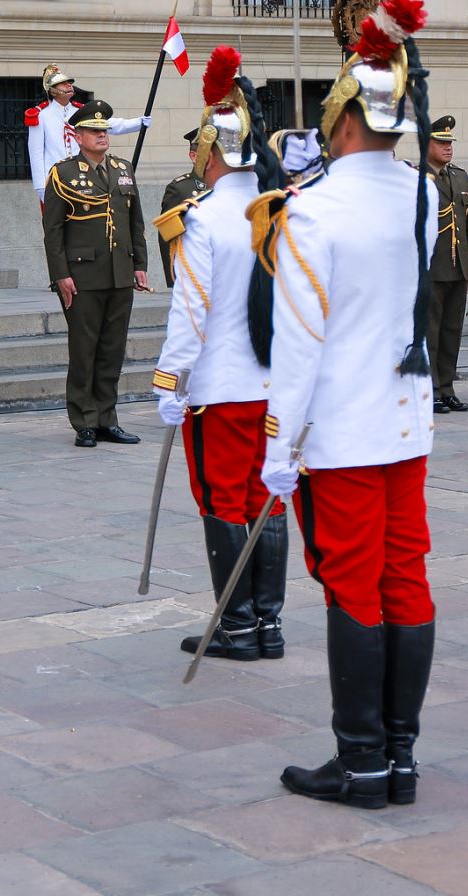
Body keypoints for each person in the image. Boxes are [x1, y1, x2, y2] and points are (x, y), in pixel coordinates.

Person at [259, 0, 438, 809]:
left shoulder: (310, 210)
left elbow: (298, 347)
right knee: (406, 581)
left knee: (354, 587)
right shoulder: (423, 195)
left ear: (339, 121)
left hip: (341, 431)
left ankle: (360, 761)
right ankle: (398, 758)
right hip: (406, 424)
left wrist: (276, 450)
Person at [151, 46, 288, 662]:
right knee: (266, 498)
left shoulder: (203, 220)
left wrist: (168, 378)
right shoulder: (282, 211)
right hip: (274, 383)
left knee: (223, 499)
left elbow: (191, 309)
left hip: (221, 387)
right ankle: (268, 623)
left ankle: (235, 625)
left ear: (210, 155)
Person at [41, 99, 149, 448]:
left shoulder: (122, 168)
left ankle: (107, 418)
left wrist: (140, 265)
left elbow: (135, 222)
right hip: (82, 276)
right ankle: (84, 421)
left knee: (112, 350)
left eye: (104, 130)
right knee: (85, 349)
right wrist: (61, 274)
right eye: (93, 131)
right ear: (77, 134)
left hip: (119, 273)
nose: (101, 136)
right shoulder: (63, 172)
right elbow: (53, 230)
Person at [26, 64, 146, 204]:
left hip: (83, 173)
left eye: (69, 83)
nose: (69, 85)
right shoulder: (41, 115)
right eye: (62, 84)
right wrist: (41, 186)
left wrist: (139, 123)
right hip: (56, 177)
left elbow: (109, 124)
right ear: (52, 91)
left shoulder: (80, 111)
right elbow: (36, 153)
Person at [424, 116, 468, 413]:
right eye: (441, 143)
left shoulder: (458, 177)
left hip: (457, 267)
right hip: (431, 266)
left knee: (452, 330)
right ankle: (430, 388)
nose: (448, 148)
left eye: (449, 143)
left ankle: (447, 387)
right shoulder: (418, 177)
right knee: (430, 331)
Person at [157, 129, 209, 288]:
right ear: (193, 156)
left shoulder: (225, 185)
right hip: (193, 273)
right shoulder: (180, 188)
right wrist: (174, 277)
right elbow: (167, 236)